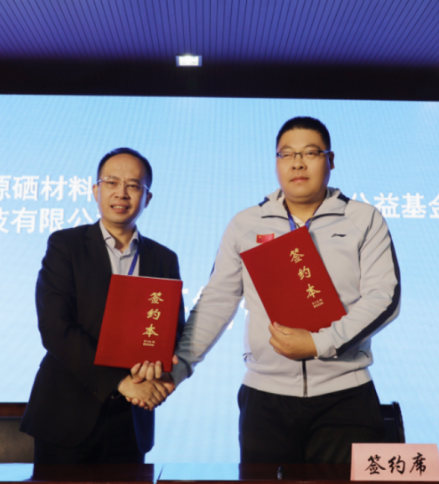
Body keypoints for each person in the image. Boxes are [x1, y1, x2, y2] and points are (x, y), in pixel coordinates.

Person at [171, 117, 401, 464]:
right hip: (265, 397)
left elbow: (384, 297)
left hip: (345, 394)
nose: (297, 163)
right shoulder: (246, 223)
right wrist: (178, 368)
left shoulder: (363, 218)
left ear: (330, 160)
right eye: (286, 154)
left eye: (310, 152)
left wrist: (320, 343)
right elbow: (218, 299)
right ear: (276, 162)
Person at [21, 147, 184, 464]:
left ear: (147, 198)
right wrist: (120, 382)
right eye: (112, 183)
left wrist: (157, 369)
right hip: (67, 415)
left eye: (133, 185)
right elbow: (55, 329)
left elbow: (171, 329)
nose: (121, 193)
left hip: (131, 418)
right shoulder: (65, 245)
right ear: (96, 190)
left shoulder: (163, 259)